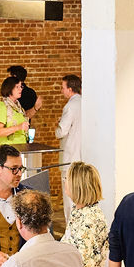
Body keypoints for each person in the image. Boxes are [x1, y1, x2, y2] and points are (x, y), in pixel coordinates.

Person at [54, 74, 82, 220]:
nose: (61, 91)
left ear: (70, 89)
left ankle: (70, 229)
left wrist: (57, 126)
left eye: (63, 87)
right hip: (82, 155)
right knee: (81, 194)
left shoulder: (70, 106)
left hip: (70, 156)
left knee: (69, 196)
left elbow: (61, 131)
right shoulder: (85, 102)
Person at [0, 76, 29, 146]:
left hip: (21, 148)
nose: (20, 89)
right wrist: (18, 127)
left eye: (21, 86)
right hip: (8, 149)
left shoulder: (19, 108)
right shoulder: (2, 107)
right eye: (17, 87)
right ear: (9, 89)